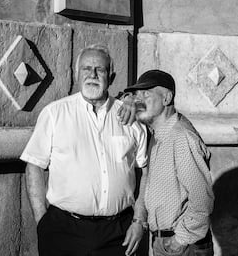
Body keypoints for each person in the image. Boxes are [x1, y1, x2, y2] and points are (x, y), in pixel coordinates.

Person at [20, 45, 148, 256]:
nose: (93, 75)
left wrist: (139, 221)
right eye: (86, 69)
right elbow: (34, 165)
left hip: (119, 232)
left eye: (100, 69)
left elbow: (145, 172)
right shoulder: (55, 113)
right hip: (63, 230)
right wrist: (42, 220)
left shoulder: (130, 118)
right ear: (76, 74)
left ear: (111, 76)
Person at [124, 70, 214, 256]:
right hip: (165, 242)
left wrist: (179, 240)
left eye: (146, 94)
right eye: (137, 95)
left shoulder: (181, 137)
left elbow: (201, 200)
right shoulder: (158, 134)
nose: (138, 101)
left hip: (184, 246)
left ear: (167, 98)